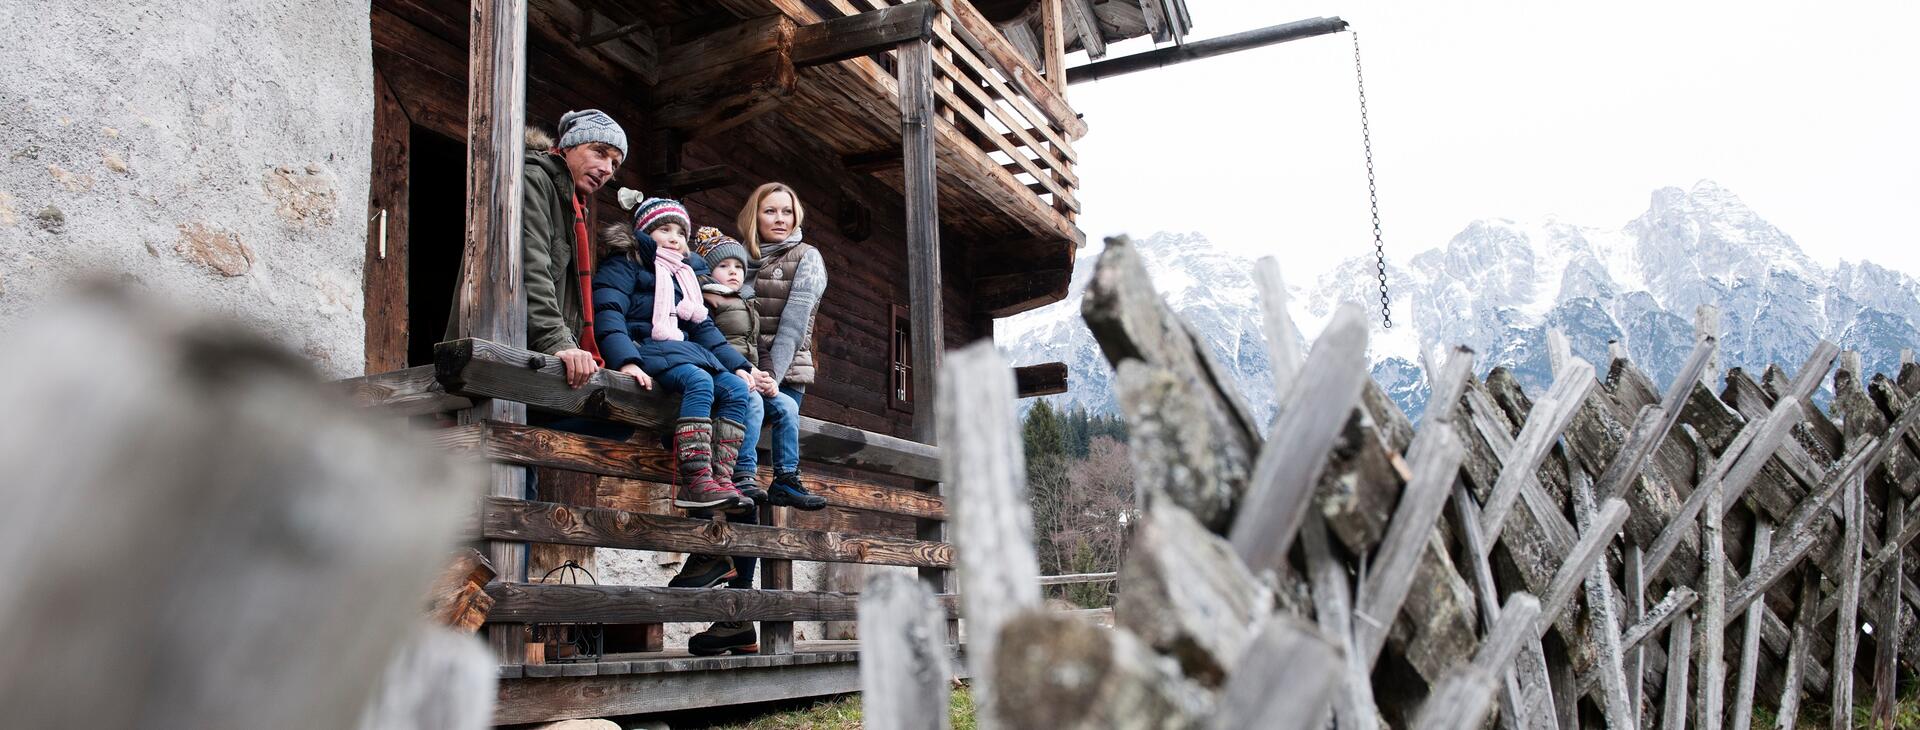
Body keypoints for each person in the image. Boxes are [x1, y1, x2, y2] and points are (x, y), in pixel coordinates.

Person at [592, 196, 765, 513]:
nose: (674, 238)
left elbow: (705, 329)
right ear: (645, 232)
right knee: (699, 380)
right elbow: (609, 312)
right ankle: (696, 480)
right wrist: (627, 360)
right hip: (645, 349)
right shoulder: (627, 263)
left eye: (681, 233)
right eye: (664, 229)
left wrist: (740, 366)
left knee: (736, 388)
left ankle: (721, 478)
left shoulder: (684, 276)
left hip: (681, 350)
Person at [448, 109, 624, 389]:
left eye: (614, 164)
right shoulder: (535, 178)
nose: (607, 169)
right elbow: (531, 267)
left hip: (538, 357)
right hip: (505, 352)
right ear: (569, 145)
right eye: (600, 152)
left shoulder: (572, 203)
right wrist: (556, 341)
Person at [737, 182, 830, 509]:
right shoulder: (736, 256)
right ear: (755, 216)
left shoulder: (808, 257)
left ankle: (786, 480)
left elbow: (794, 325)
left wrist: (768, 381)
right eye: (770, 211)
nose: (780, 219)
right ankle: (727, 560)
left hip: (785, 374)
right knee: (739, 468)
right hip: (742, 368)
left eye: (787, 211)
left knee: (763, 443)